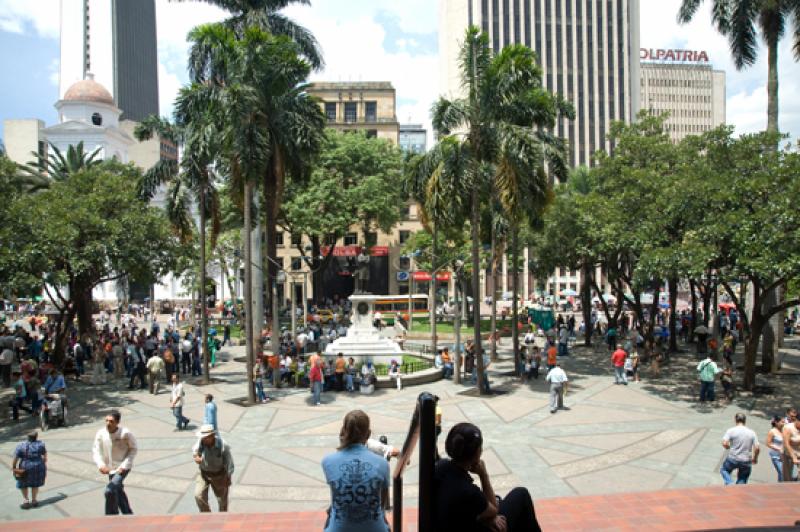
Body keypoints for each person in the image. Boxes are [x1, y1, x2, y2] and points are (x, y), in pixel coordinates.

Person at [433, 423, 541, 532]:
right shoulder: (469, 492)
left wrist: (483, 517)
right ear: (477, 453)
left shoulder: (440, 468)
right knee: (521, 495)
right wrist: (483, 475)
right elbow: (494, 510)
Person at [321, 410, 390, 532]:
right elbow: (381, 505)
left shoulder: (327, 461)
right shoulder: (382, 464)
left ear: (343, 431)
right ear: (368, 434)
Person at [92, 409, 137, 515]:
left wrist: (125, 465)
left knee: (110, 490)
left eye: (111, 421)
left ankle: (111, 516)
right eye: (106, 421)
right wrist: (101, 465)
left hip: (122, 468)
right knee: (118, 490)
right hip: (110, 469)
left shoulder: (125, 433)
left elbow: (133, 449)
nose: (108, 423)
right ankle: (128, 514)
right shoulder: (101, 433)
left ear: (117, 422)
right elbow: (96, 450)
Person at [193, 424, 234, 512]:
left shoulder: (222, 445)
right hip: (203, 474)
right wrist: (196, 458)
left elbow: (229, 462)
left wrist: (228, 477)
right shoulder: (200, 442)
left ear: (211, 436)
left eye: (205, 437)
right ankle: (206, 515)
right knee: (198, 495)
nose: (203, 439)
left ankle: (222, 517)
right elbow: (195, 452)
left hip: (219, 476)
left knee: (222, 501)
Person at [720, 413, 759, 485]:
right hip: (746, 460)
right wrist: (755, 458)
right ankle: (738, 490)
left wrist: (728, 447)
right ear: (745, 421)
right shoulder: (752, 432)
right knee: (742, 479)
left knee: (724, 470)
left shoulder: (731, 430)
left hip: (733, 458)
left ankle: (730, 483)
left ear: (735, 420)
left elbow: (724, 443)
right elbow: (757, 448)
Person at [12, 430, 47, 509]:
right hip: (38, 466)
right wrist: (42, 462)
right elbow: (45, 457)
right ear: (36, 437)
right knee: (35, 484)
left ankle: (26, 500)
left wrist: (14, 467)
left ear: (28, 437)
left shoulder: (21, 445)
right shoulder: (41, 444)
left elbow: (15, 458)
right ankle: (34, 500)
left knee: (23, 483)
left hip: (25, 467)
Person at [766, 415, 785, 482]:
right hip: (776, 456)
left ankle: (779, 485)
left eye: (784, 422)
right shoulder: (772, 431)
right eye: (782, 422)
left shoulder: (784, 430)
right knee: (782, 472)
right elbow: (768, 443)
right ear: (776, 422)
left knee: (784, 474)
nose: (784, 423)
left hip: (785, 456)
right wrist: (778, 448)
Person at [782, 416, 800, 482]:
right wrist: (793, 457)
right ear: (797, 420)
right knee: (787, 478)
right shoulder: (788, 428)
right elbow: (786, 444)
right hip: (789, 454)